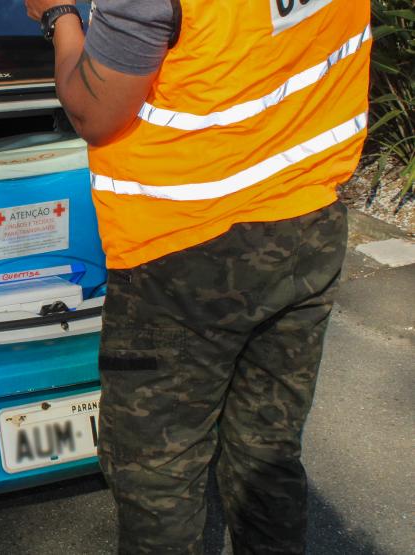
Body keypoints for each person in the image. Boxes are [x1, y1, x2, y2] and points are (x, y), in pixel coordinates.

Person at [25, 0, 371, 552]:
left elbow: (94, 112)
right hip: (307, 222)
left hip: (182, 257)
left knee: (159, 477)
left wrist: (59, 17)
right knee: (268, 453)